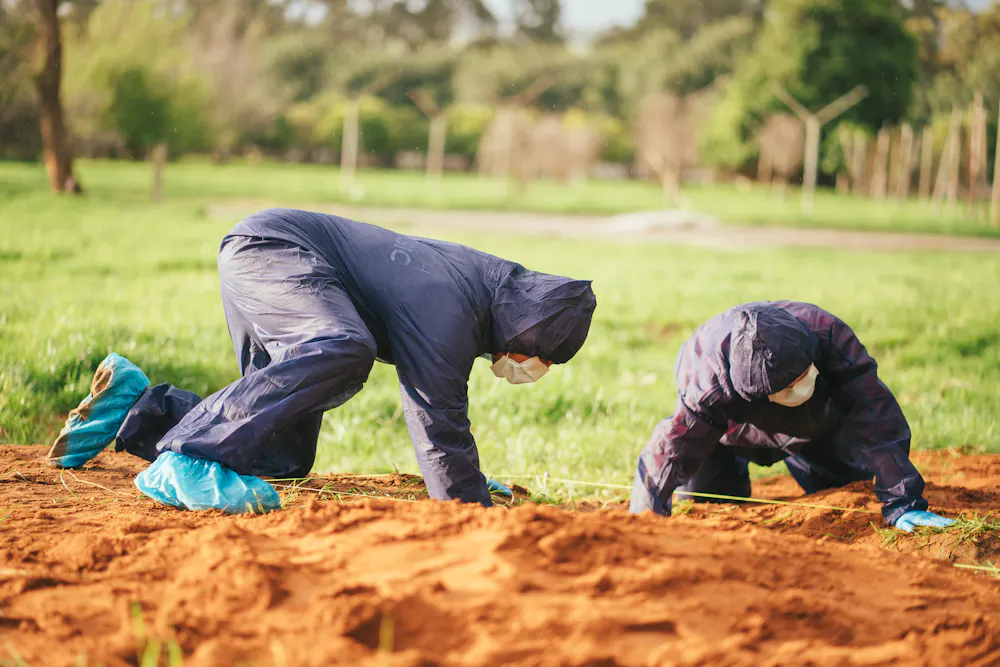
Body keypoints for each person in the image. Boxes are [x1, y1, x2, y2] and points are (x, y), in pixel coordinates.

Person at [47, 208, 597, 513]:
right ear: (523, 331)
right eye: (536, 357)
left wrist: (468, 479)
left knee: (283, 456)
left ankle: (133, 405)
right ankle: (186, 456)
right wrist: (469, 500)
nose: (528, 367)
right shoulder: (452, 307)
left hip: (294, 270)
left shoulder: (481, 293)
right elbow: (438, 418)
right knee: (343, 348)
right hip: (273, 250)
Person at [629, 300, 953, 533]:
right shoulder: (706, 377)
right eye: (784, 389)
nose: (796, 389)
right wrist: (645, 520)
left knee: (844, 488)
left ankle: (813, 462)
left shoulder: (828, 334)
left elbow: (872, 412)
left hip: (813, 426)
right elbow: (673, 447)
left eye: (800, 379)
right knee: (706, 499)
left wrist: (903, 499)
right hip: (729, 434)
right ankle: (730, 468)